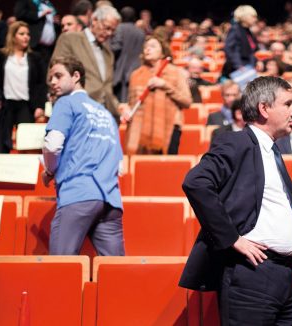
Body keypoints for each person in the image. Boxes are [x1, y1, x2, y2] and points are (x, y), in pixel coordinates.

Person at [180, 76, 292, 325]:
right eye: (288, 104)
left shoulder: (272, 150)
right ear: (264, 108)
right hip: (250, 274)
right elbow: (196, 183)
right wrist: (232, 238)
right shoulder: (236, 141)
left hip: (284, 275)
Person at [42, 56, 124, 256]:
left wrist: (50, 170)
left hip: (78, 194)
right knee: (116, 272)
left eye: (58, 76)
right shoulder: (105, 113)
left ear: (76, 76)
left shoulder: (66, 103)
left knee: (61, 269)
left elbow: (52, 145)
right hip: (111, 200)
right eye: (51, 78)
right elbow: (120, 165)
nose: (53, 82)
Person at [52, 5, 127, 121]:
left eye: (113, 30)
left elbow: (106, 88)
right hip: (76, 114)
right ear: (94, 20)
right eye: (107, 28)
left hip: (101, 116)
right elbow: (55, 75)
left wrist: (118, 106)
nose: (109, 33)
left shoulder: (108, 53)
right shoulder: (70, 39)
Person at [123, 36, 191, 155]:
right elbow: (131, 103)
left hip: (169, 128)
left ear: (163, 52)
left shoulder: (175, 72)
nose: (147, 49)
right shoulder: (136, 75)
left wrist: (165, 85)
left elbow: (187, 101)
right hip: (140, 130)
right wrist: (126, 110)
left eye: (152, 46)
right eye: (145, 47)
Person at [0, 21, 47, 150]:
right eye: (22, 34)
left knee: (26, 143)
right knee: (2, 143)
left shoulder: (35, 57)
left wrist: (39, 106)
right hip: (6, 104)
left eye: (28, 34)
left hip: (26, 105)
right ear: (13, 37)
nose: (26, 37)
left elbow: (40, 84)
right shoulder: (1, 56)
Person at [110, 6, 145, 103]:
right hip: (137, 69)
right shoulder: (141, 32)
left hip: (120, 71)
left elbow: (116, 47)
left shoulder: (119, 28)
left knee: (120, 103)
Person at [14, 0, 59, 65]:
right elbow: (19, 14)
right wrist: (40, 14)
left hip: (49, 49)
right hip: (33, 46)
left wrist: (56, 21)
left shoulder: (49, 4)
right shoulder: (27, 1)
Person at [221, 5, 258, 79]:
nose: (255, 19)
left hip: (247, 67)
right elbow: (230, 49)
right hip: (237, 69)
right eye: (253, 16)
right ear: (245, 17)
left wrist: (255, 62)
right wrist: (238, 65)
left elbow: (251, 51)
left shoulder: (247, 31)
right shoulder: (235, 29)